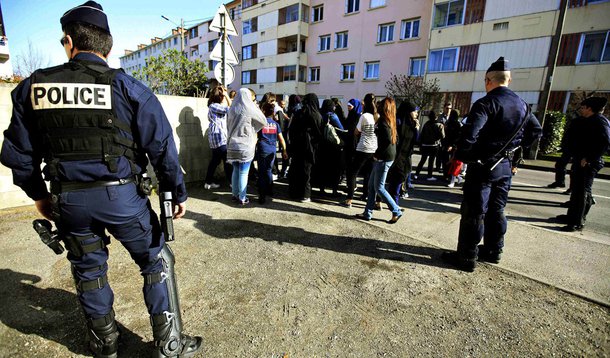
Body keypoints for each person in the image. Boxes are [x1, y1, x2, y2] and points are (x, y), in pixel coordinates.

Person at [0, 2, 202, 356]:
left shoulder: (34, 87)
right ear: (107, 46)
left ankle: (105, 344)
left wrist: (39, 195)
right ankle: (170, 344)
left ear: (68, 41)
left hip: (69, 201)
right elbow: (161, 146)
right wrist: (174, 193)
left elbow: (18, 152)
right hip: (122, 199)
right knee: (157, 262)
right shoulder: (127, 86)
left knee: (89, 269)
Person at [442, 57, 542, 272]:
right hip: (505, 166)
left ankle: (467, 257)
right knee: (497, 210)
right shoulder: (523, 105)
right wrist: (513, 150)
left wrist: (468, 156)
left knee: (474, 212)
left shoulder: (486, 103)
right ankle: (494, 250)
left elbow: (469, 135)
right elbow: (536, 131)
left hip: (483, 166)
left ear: (488, 80)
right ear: (509, 80)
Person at [560, 97, 609, 232]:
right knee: (576, 190)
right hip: (580, 160)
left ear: (589, 108)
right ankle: (571, 217)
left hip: (588, 162)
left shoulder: (600, 121)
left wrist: (589, 158)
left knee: (583, 192)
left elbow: (604, 142)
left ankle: (577, 222)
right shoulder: (587, 120)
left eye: (583, 107)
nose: (581, 109)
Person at [355, 97, 402, 223]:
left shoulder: (382, 122)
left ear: (384, 107)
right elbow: (395, 140)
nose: (378, 105)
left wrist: (377, 154)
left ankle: (396, 210)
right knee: (371, 186)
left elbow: (386, 140)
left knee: (379, 187)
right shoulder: (390, 120)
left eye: (380, 104)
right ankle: (367, 213)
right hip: (388, 156)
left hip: (383, 158)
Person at [227, 88, 267, 205]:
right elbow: (263, 120)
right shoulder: (249, 109)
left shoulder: (232, 109)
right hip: (245, 145)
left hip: (232, 144)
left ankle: (234, 195)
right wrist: (253, 127)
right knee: (244, 173)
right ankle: (242, 197)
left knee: (235, 170)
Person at [342, 94, 378, 207]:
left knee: (353, 173)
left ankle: (349, 199)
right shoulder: (377, 116)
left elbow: (356, 132)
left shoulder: (364, 116)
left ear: (365, 104)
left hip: (363, 147)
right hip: (374, 148)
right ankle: (376, 201)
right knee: (370, 174)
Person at [288, 93, 323, 202]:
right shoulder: (316, 115)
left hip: (297, 145)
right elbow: (319, 133)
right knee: (306, 170)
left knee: (296, 168)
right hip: (309, 146)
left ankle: (294, 192)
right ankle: (305, 194)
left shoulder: (299, 113)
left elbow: (291, 130)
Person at [387, 101, 419, 205]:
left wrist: (417, 129)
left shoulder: (412, 123)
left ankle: (393, 202)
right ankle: (393, 204)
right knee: (395, 179)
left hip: (406, 156)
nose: (416, 114)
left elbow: (417, 141)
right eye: (414, 111)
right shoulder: (398, 121)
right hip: (396, 155)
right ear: (408, 111)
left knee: (399, 179)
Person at [257, 102, 288, 204]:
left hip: (262, 149)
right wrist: (284, 150)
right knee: (269, 170)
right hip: (272, 150)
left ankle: (262, 196)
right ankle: (270, 190)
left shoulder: (261, 123)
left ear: (264, 111)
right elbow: (281, 139)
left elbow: (255, 136)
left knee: (261, 172)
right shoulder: (276, 124)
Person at [314, 99, 345, 196]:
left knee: (322, 167)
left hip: (322, 145)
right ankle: (334, 191)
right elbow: (341, 129)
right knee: (334, 168)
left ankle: (321, 189)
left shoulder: (319, 114)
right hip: (332, 146)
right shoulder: (332, 115)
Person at [204, 86, 232, 189]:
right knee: (227, 161)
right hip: (219, 137)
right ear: (219, 96)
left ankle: (208, 182)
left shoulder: (214, 106)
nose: (224, 97)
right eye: (223, 95)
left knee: (215, 161)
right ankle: (232, 183)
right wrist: (226, 95)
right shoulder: (214, 106)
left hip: (217, 137)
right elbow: (230, 109)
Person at [414, 110, 444, 181]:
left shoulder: (426, 124)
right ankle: (429, 176)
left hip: (425, 144)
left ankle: (416, 174)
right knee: (431, 161)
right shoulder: (439, 125)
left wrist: (420, 143)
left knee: (422, 160)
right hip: (434, 145)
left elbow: (422, 134)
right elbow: (442, 136)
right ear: (436, 117)